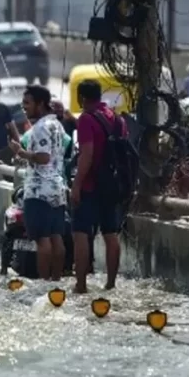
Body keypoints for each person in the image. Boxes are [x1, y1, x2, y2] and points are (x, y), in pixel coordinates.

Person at [71, 79, 125, 294]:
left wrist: (76, 185)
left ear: (82, 98)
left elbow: (87, 155)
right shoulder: (115, 117)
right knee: (110, 233)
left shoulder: (86, 119)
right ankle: (111, 284)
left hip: (91, 184)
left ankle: (81, 285)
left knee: (81, 233)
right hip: (112, 184)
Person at [9, 85, 67, 281]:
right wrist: (26, 157)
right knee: (56, 237)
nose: (24, 108)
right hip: (57, 190)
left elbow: (43, 157)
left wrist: (20, 152)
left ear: (40, 104)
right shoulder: (57, 125)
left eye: (27, 103)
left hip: (38, 191)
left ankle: (44, 284)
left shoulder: (40, 127)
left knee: (43, 241)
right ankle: (56, 281)